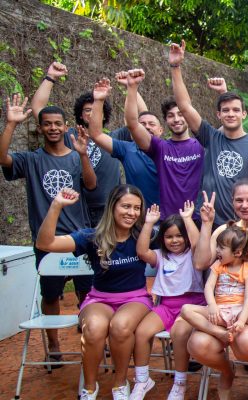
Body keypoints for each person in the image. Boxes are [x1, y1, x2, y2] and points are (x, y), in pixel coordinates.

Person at [1, 95, 96, 363]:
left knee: (86, 294)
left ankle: (91, 340)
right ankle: (54, 345)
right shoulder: (32, 160)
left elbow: (90, 185)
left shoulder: (76, 156)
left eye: (57, 124)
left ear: (66, 126)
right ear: (40, 128)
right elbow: (3, 158)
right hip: (47, 240)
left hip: (79, 238)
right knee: (51, 294)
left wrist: (84, 154)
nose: (53, 128)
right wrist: (10, 125)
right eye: (47, 124)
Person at [36, 185, 152, 400]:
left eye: (137, 208)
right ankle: (89, 388)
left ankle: (120, 384)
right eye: (126, 206)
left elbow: (179, 240)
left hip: (135, 298)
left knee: (121, 326)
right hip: (100, 298)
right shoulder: (91, 236)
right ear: (112, 207)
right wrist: (56, 205)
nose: (132, 213)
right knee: (94, 329)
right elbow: (45, 243)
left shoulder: (144, 234)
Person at [184, 187, 248, 399]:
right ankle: (226, 371)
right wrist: (206, 224)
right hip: (222, 303)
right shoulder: (224, 231)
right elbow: (201, 263)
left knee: (246, 342)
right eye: (239, 200)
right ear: (232, 202)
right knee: (197, 344)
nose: (245, 205)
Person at [169, 40, 248, 225]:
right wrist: (176, 66)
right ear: (218, 115)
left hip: (244, 224)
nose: (230, 114)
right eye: (225, 110)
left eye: (235, 110)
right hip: (209, 221)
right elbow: (184, 106)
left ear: (244, 113)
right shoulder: (211, 137)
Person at [31, 62, 131, 225]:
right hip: (77, 210)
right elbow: (38, 110)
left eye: (95, 109)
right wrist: (50, 77)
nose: (91, 113)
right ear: (80, 114)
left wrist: (131, 88)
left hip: (110, 209)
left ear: (104, 115)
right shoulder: (69, 137)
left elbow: (138, 121)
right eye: (87, 110)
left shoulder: (115, 138)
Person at [128, 202, 205, 399]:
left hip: (192, 306)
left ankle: (180, 383)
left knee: (179, 334)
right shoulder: (161, 256)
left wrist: (188, 219)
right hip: (165, 305)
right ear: (162, 239)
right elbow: (142, 251)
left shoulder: (193, 254)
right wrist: (148, 224)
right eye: (169, 236)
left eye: (179, 236)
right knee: (141, 331)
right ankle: (143, 379)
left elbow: (197, 244)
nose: (174, 240)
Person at [124, 68, 205, 220]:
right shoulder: (160, 148)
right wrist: (132, 88)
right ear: (165, 121)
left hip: (197, 218)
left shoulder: (203, 145)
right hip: (167, 221)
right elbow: (132, 124)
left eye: (181, 114)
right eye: (170, 116)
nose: (176, 119)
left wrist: (176, 67)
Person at [86, 76, 160, 208]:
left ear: (161, 130)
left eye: (151, 124)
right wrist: (98, 100)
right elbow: (96, 134)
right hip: (137, 217)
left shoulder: (169, 149)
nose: (147, 126)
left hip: (168, 220)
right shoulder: (128, 149)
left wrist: (132, 88)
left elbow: (144, 112)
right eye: (142, 124)